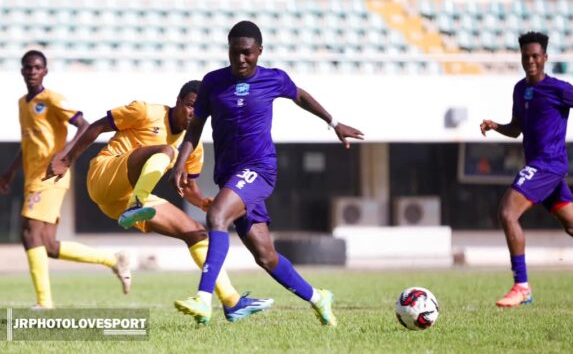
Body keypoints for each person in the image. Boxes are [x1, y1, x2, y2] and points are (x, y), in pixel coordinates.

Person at [170, 21, 364, 326]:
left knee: (217, 216)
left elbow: (300, 96)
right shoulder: (212, 83)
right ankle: (318, 297)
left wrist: (334, 122)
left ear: (259, 51)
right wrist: (180, 161)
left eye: (247, 53)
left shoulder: (274, 79)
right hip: (230, 176)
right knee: (265, 256)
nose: (241, 59)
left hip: (258, 170)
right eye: (235, 53)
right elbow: (196, 126)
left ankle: (204, 299)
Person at [45, 80, 273, 322]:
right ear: (177, 102)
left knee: (196, 233)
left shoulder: (193, 145)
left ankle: (232, 301)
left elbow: (189, 186)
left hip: (123, 201)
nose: (192, 114)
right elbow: (97, 127)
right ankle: (137, 203)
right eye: (189, 106)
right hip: (104, 174)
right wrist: (68, 159)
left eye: (200, 111)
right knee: (166, 151)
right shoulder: (146, 112)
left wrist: (202, 202)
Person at [480, 31, 573, 308]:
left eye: (536, 56)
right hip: (542, 169)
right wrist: (496, 126)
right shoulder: (520, 89)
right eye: (526, 56)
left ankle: (522, 286)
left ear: (545, 57)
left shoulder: (559, 89)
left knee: (507, 212)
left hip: (547, 166)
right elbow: (517, 130)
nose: (531, 61)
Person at [0, 50, 130, 309]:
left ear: (45, 71)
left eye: (37, 67)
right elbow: (28, 143)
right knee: (46, 245)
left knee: (29, 233)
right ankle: (112, 260)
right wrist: (11, 171)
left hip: (51, 176)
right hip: (32, 177)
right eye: (28, 67)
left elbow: (84, 125)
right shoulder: (22, 103)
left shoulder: (52, 99)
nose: (32, 72)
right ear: (22, 71)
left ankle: (44, 302)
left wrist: (64, 154)